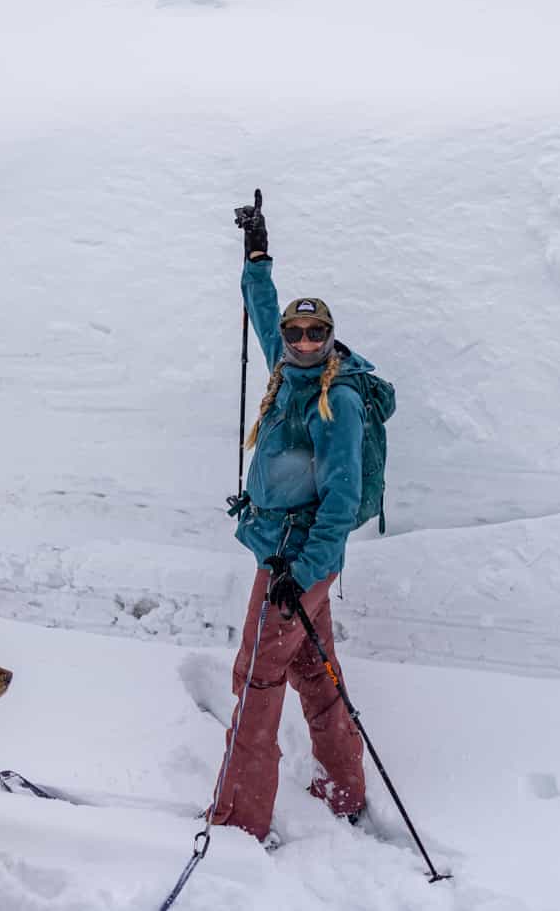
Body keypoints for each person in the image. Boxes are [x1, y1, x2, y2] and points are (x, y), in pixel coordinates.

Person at [208, 191, 370, 842]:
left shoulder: (340, 403)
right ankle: (343, 790)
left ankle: (238, 820)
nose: (302, 340)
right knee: (312, 668)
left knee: (256, 676)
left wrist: (298, 573)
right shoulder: (288, 368)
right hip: (280, 554)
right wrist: (257, 255)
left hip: (294, 564)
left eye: (315, 332)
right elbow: (261, 312)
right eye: (296, 332)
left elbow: (342, 503)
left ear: (330, 337)